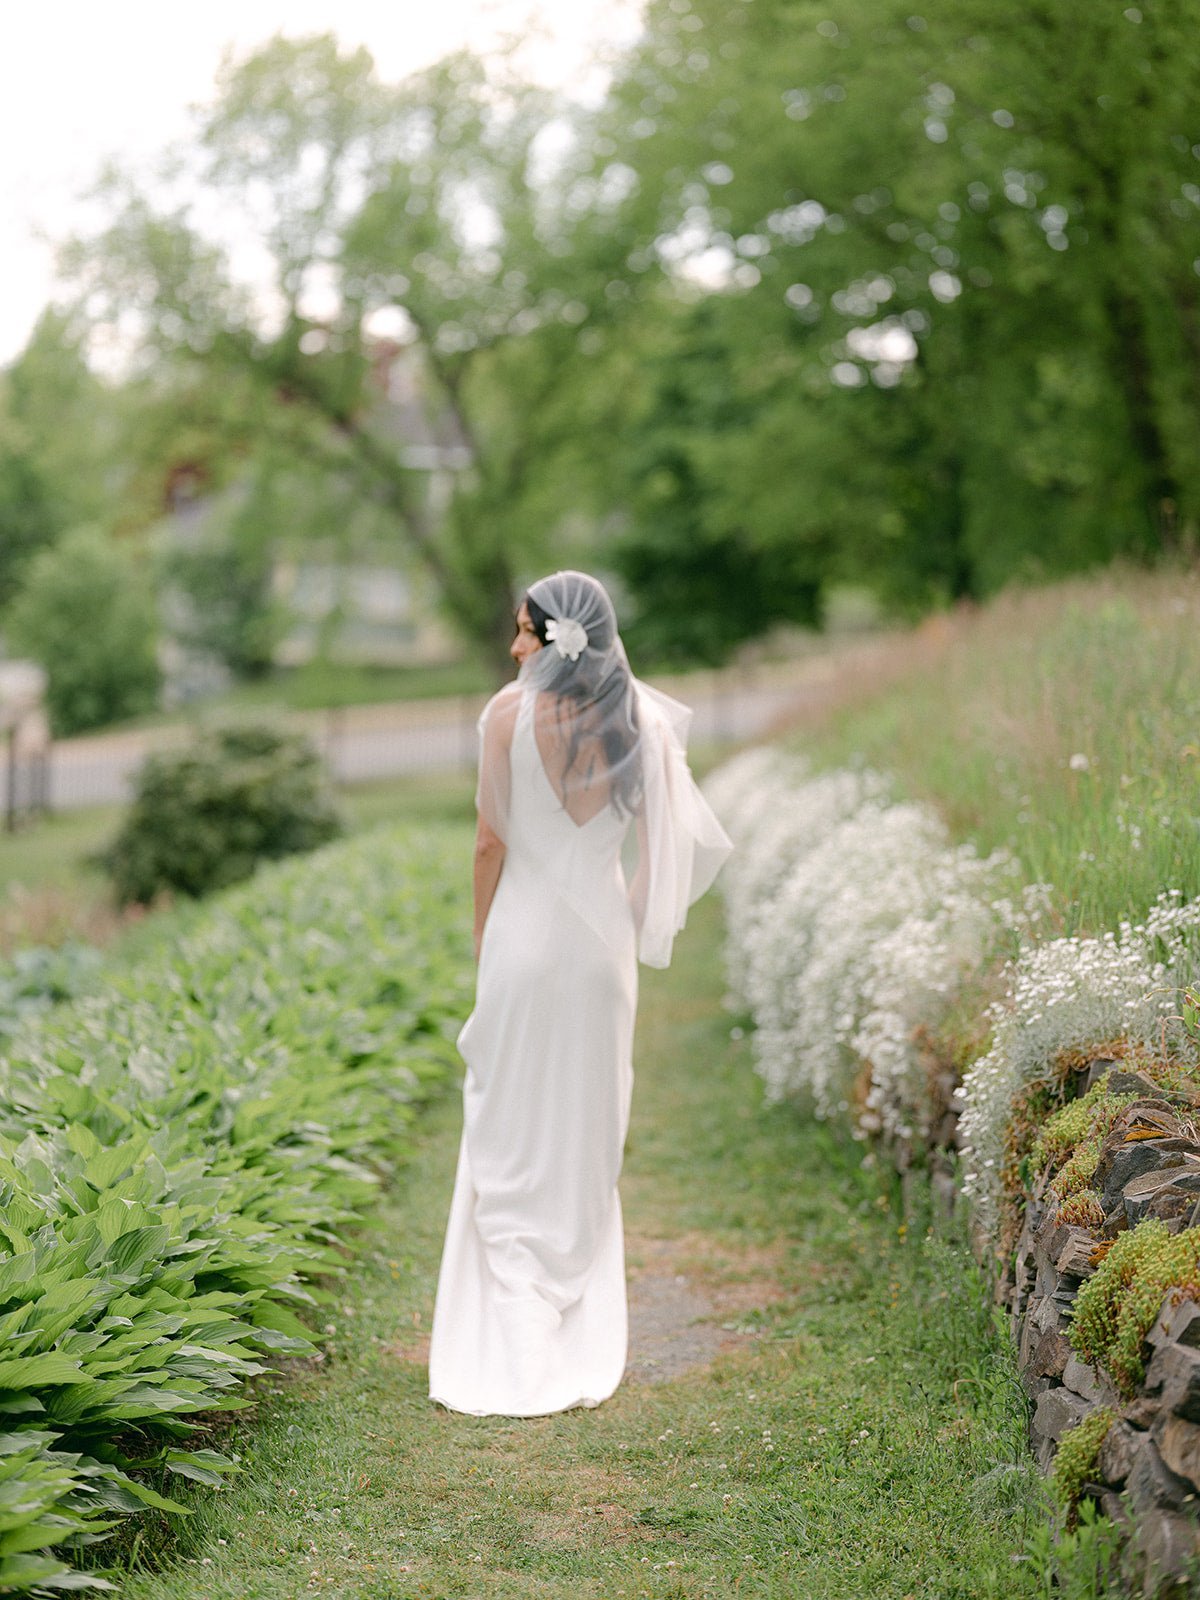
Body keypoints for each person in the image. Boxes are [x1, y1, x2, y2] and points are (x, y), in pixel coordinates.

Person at [428, 570, 732, 1417]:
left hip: (524, 941)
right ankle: (562, 1288)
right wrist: (626, 921)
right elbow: (666, 847)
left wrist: (485, 938)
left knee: (508, 1108)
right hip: (602, 954)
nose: (516, 646)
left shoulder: (503, 715)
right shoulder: (637, 719)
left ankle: (515, 1291)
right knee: (589, 1116)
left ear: (555, 634)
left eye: (527, 631)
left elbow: (490, 840)